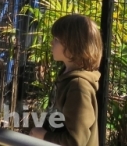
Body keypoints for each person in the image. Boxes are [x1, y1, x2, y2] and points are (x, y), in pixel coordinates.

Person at [30, 14, 102, 146]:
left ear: (73, 46)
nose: (51, 43)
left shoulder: (78, 86)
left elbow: (76, 141)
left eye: (56, 39)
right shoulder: (66, 75)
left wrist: (44, 135)